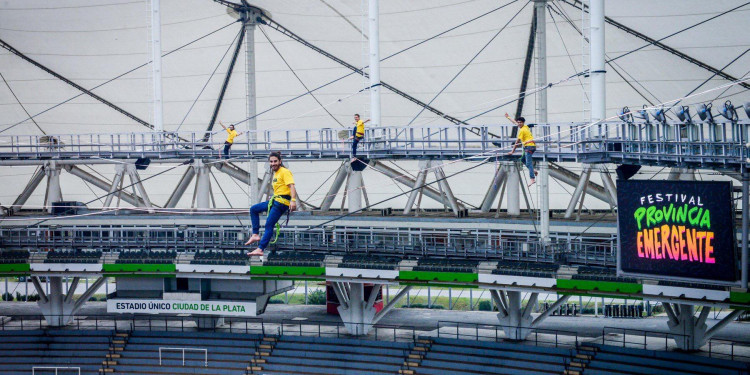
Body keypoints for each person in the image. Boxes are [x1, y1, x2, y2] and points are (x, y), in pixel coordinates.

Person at [245, 152, 298, 257]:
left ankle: (260, 248)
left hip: (281, 202)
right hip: (275, 200)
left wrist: (293, 200)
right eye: (271, 161)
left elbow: (291, 186)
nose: (273, 163)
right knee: (254, 209)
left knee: (269, 225)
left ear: (280, 161)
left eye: (275, 161)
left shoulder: (285, 172)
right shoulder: (276, 173)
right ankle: (255, 234)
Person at [505, 113, 536, 186]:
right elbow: (515, 122)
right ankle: (533, 170)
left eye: (520, 122)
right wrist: (508, 117)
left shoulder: (522, 131)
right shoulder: (525, 127)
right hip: (530, 146)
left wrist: (512, 151)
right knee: (522, 159)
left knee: (528, 163)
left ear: (523, 123)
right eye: (518, 122)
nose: (518, 124)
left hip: (529, 147)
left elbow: (517, 142)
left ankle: (532, 179)